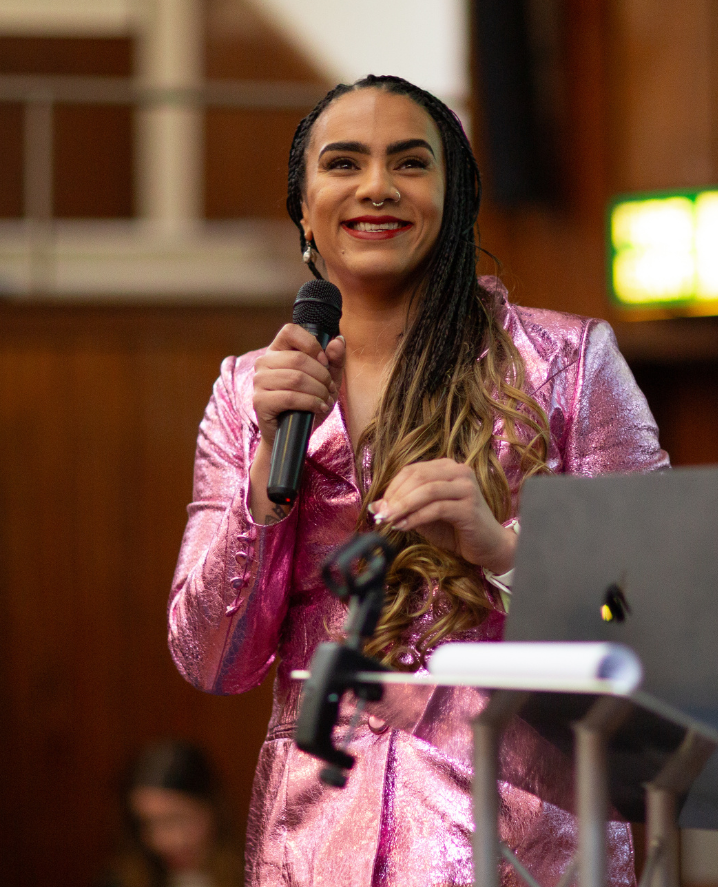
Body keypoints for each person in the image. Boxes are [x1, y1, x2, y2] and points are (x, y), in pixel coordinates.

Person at [169, 74, 669, 886]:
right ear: (302, 206)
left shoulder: (567, 366)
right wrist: (266, 484)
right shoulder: (248, 392)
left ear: (455, 194)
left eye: (410, 162)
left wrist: (502, 550)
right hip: (313, 850)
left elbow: (655, 614)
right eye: (343, 163)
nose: (376, 187)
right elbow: (209, 659)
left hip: (523, 852)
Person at [100, 739, 244, 887]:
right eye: (147, 823)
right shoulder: (118, 881)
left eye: (177, 819)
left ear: (213, 810)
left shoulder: (258, 875)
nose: (161, 841)